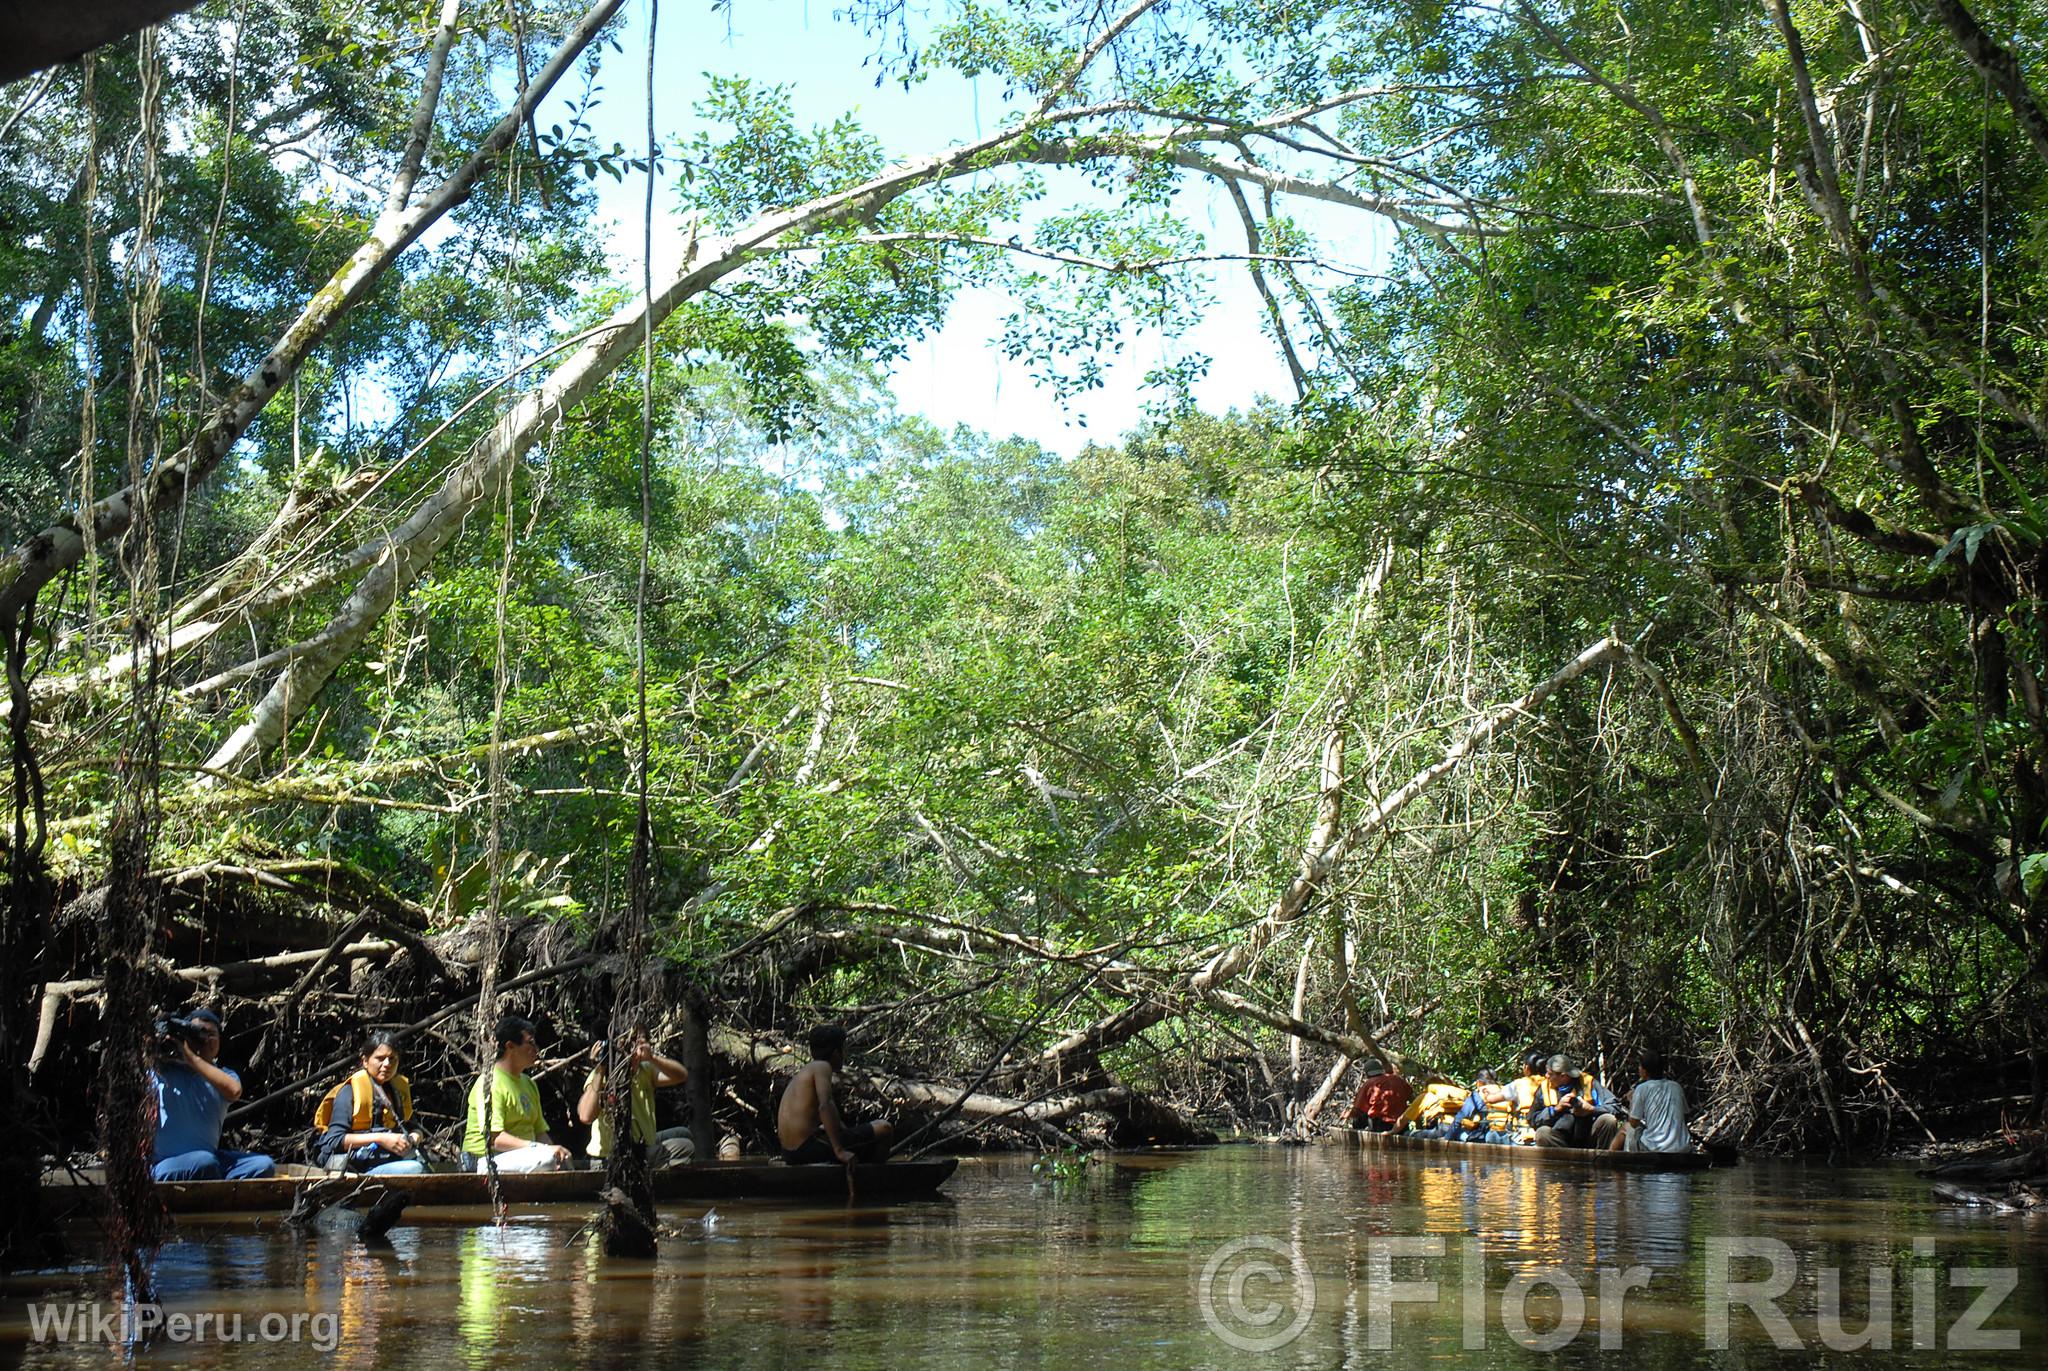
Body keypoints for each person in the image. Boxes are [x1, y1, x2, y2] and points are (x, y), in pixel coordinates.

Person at [149, 1006, 277, 1182]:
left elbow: (234, 1091)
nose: (206, 1040)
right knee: (204, 1162)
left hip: (209, 1160)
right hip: (166, 1163)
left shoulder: (224, 1074)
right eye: (199, 1034)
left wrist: (191, 1059)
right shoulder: (162, 1073)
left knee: (264, 1165)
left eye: (211, 1034)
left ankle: (217, 1184)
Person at [462, 1014, 571, 1173]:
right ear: (510, 1046)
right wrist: (540, 1149)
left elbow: (539, 1132)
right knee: (547, 1159)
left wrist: (556, 1150)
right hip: (484, 1160)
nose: (536, 1049)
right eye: (530, 1043)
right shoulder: (489, 1083)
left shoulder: (529, 1083)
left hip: (522, 1158)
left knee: (559, 1156)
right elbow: (496, 1140)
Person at [577, 1023, 694, 1167]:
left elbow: (681, 1075)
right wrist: (601, 1069)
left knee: (683, 1133)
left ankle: (661, 1163)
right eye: (632, 1041)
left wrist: (652, 1058)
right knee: (685, 1146)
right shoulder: (602, 1076)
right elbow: (585, 1116)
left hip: (644, 1143)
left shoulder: (645, 1070)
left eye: (642, 1041)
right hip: (614, 1157)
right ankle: (654, 1173)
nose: (637, 1047)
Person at [314, 1029, 426, 1175]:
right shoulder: (349, 1091)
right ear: (365, 1061)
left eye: (392, 1059)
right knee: (414, 1169)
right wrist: (381, 1139)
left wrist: (413, 1138)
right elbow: (334, 1140)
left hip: (387, 1162)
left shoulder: (397, 1091)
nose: (387, 1064)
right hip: (355, 1168)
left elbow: (414, 1127)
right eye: (380, 1058)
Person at [777, 1024, 893, 1164]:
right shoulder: (822, 1067)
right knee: (884, 1128)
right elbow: (825, 1105)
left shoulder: (805, 1071)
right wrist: (839, 1151)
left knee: (844, 1130)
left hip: (790, 1153)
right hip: (805, 1150)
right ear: (836, 1053)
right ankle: (871, 1180)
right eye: (843, 1050)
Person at [1529, 1054, 1620, 1149]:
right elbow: (1532, 1119)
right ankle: (1567, 1161)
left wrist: (1592, 1109)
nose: (1546, 1076)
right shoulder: (1544, 1089)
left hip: (1588, 1135)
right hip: (1559, 1141)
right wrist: (1555, 1110)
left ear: (1563, 1076)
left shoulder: (1588, 1083)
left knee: (1608, 1120)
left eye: (1550, 1074)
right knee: (1542, 1132)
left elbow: (1615, 1106)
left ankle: (1602, 1160)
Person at [1615, 1050, 1690, 1153]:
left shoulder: (1642, 1089)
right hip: (1682, 1147)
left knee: (1625, 1128)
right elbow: (1685, 1117)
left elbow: (1633, 1122)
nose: (1639, 1069)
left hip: (1654, 1147)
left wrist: (1631, 1101)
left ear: (1645, 1071)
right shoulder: (1676, 1086)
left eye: (1640, 1066)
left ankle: (1609, 1159)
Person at [1344, 1059, 1413, 1133]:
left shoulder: (1369, 1084)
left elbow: (1358, 1109)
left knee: (1358, 1117)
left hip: (1381, 1125)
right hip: (1402, 1123)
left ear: (1367, 1073)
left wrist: (1347, 1114)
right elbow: (1410, 1094)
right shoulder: (1398, 1079)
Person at [1451, 1068, 1516, 1143]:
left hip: (1491, 1134)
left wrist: (1447, 1137)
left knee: (1459, 1133)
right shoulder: (1505, 1090)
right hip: (1507, 1133)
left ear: (1479, 1082)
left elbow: (1461, 1116)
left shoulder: (1482, 1092)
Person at [1395, 1073, 1469, 1136]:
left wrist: (1391, 1131)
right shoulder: (1456, 1095)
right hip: (1463, 1127)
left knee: (1407, 1134)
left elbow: (1404, 1119)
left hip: (1444, 1129)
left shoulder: (1426, 1096)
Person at [1503, 1051, 1549, 1143]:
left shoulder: (1518, 1084)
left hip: (1523, 1131)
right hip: (1545, 1130)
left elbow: (1494, 1097)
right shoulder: (1550, 1083)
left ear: (1526, 1067)